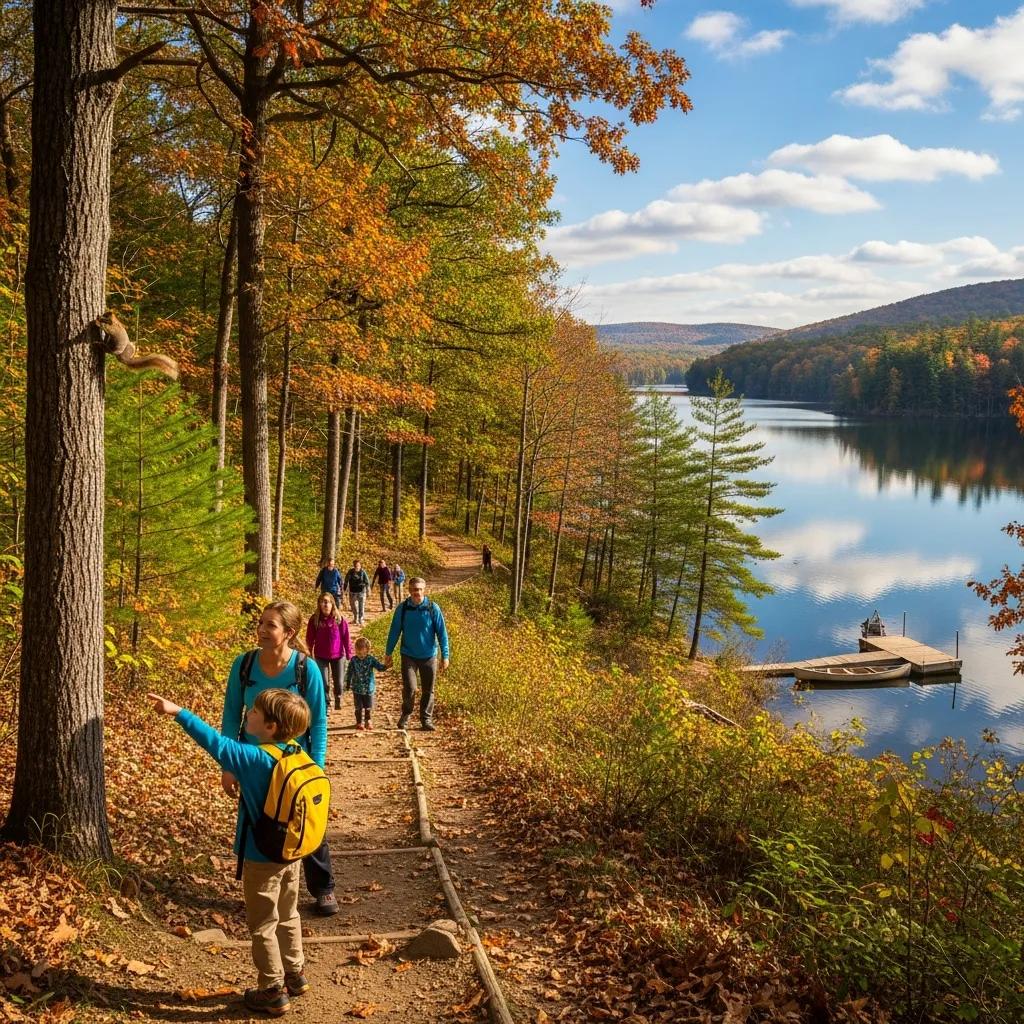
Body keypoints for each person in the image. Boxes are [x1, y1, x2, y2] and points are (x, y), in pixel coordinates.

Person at [150, 687, 312, 1016]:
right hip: (292, 852)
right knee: (289, 914)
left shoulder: (252, 759)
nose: (248, 713)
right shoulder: (295, 752)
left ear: (271, 727)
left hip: (260, 855)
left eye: (254, 711)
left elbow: (214, 742)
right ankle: (295, 974)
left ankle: (271, 989)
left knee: (263, 923)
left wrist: (178, 711)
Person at [221, 601, 338, 917]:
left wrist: (317, 766)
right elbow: (232, 716)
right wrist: (229, 766)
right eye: (261, 623)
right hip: (254, 762)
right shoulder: (243, 665)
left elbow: (319, 722)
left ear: (289, 632)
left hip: (294, 763)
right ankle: (261, 891)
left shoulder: (305, 668)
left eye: (270, 625)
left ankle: (323, 887)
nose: (261, 629)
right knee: (257, 821)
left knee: (306, 821)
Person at [384, 577, 450, 732]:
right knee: (411, 688)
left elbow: (442, 634)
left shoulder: (433, 608)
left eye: (420, 589)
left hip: (429, 656)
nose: (417, 593)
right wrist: (388, 652)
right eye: (414, 589)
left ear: (424, 590)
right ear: (409, 590)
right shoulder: (403, 608)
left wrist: (445, 656)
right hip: (408, 655)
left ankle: (426, 719)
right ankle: (406, 715)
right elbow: (394, 631)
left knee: (428, 689)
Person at [305, 592, 352, 711]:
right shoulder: (314, 620)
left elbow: (346, 637)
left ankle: (338, 697)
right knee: (324, 682)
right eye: (323, 602)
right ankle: (325, 703)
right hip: (321, 656)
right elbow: (309, 638)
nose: (325, 604)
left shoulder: (339, 619)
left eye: (327, 602)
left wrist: (349, 654)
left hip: (338, 656)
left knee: (339, 683)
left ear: (332, 604)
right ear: (319, 604)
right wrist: (309, 653)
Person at [346, 637, 387, 731]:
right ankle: (359, 722)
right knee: (358, 707)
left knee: (368, 706)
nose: (360, 655)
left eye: (363, 653)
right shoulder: (353, 660)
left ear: (367, 651)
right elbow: (349, 672)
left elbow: (379, 667)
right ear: (355, 650)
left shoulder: (370, 659)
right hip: (357, 688)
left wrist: (386, 666)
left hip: (369, 688)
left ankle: (368, 720)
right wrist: (347, 683)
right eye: (358, 653)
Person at [344, 559, 370, 625]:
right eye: (355, 566)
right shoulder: (350, 572)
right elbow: (346, 581)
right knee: (353, 606)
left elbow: (367, 582)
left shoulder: (363, 572)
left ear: (360, 566)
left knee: (361, 606)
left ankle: (361, 619)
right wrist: (344, 590)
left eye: (358, 565)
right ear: (354, 566)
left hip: (361, 592)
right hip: (352, 592)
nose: (357, 567)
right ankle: (355, 618)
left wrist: (368, 590)